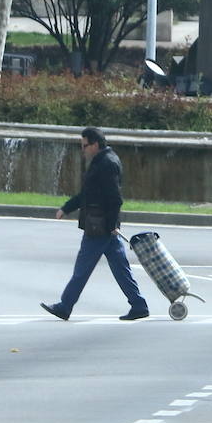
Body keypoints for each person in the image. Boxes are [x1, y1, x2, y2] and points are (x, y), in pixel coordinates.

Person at [41, 127, 150, 321]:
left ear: (95, 144)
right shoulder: (102, 161)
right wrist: (67, 208)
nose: (82, 150)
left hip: (99, 226)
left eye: (85, 146)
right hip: (103, 225)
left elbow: (115, 198)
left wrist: (110, 225)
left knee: (82, 269)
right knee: (120, 268)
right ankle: (139, 305)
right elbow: (86, 194)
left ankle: (65, 306)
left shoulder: (106, 164)